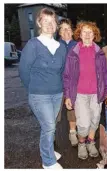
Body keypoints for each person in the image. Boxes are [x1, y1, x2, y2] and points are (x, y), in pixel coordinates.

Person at [19, 8, 66, 169]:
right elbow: (23, 70)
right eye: (45, 21)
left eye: (52, 21)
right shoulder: (33, 45)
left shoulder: (61, 47)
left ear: (56, 25)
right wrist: (33, 89)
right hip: (39, 95)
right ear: (39, 23)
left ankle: (48, 151)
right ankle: (48, 161)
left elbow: (62, 71)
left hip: (57, 93)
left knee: (49, 125)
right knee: (49, 126)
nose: (49, 25)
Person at [63, 21, 107, 160]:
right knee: (83, 124)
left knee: (95, 120)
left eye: (90, 32)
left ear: (94, 34)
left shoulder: (99, 52)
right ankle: (81, 143)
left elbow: (105, 74)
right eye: (84, 32)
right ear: (79, 34)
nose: (88, 34)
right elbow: (67, 76)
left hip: (97, 93)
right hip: (80, 94)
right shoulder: (73, 53)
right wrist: (67, 96)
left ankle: (91, 142)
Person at [56, 18, 78, 147]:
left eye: (69, 29)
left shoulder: (77, 46)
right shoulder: (54, 45)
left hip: (72, 84)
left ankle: (72, 133)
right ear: (59, 32)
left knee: (72, 110)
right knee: (55, 113)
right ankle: (51, 135)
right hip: (57, 85)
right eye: (64, 29)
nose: (67, 31)